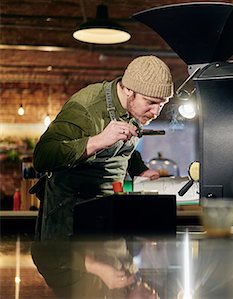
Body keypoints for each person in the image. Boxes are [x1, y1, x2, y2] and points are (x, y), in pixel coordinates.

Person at [32, 55, 174, 241]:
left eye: (162, 104)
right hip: (69, 214)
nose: (156, 113)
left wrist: (141, 170)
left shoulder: (136, 111)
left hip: (110, 209)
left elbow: (123, 148)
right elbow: (42, 157)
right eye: (151, 102)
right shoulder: (85, 109)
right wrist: (98, 141)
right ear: (130, 90)